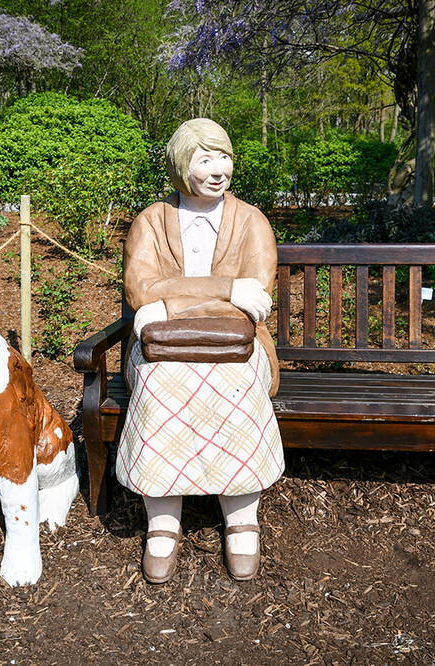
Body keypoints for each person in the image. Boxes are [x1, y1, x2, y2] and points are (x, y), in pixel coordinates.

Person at [118, 118, 283, 583]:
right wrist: (226, 290)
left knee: (235, 387)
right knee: (157, 385)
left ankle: (241, 516)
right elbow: (139, 291)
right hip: (161, 349)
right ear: (179, 163)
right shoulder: (151, 220)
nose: (218, 170)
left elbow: (257, 295)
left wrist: (171, 300)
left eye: (224, 157)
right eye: (204, 159)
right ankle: (163, 520)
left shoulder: (252, 221)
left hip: (237, 345)